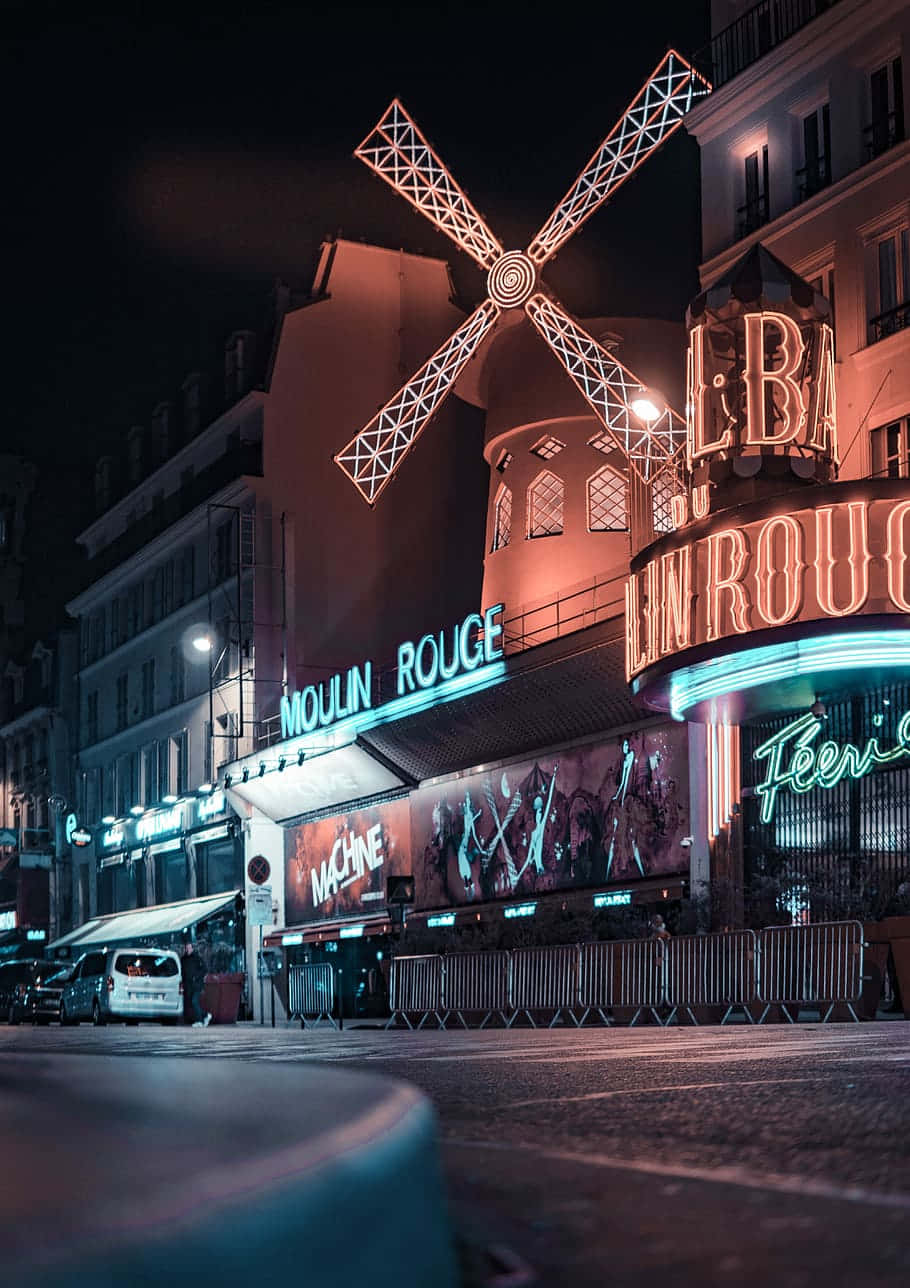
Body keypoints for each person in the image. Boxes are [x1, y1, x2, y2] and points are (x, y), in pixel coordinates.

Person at [181, 942, 211, 1027]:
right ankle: (205, 1015)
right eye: (186, 948)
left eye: (189, 948)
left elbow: (204, 969)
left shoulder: (197, 958)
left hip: (197, 984)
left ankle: (200, 1021)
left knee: (194, 1001)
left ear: (192, 949)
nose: (188, 950)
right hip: (188, 985)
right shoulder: (183, 959)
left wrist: (196, 977)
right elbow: (183, 972)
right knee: (192, 1002)